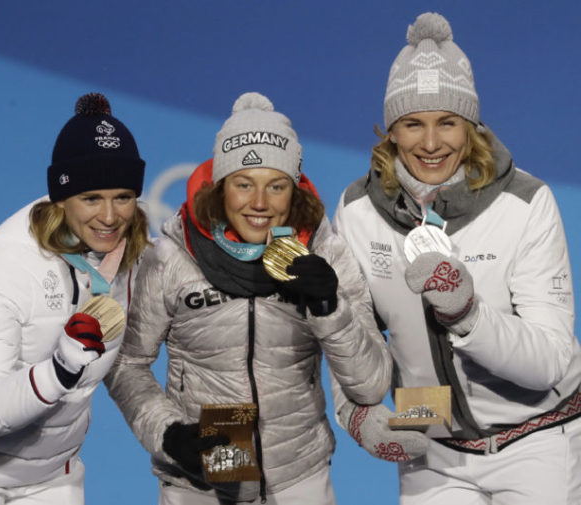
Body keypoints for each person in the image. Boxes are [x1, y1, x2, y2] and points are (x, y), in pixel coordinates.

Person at [332, 11, 581, 505]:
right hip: (431, 446)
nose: (429, 143)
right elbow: (350, 335)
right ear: (390, 130)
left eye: (447, 122)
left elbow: (551, 362)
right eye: (412, 124)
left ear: (471, 125)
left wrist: (468, 316)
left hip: (537, 440)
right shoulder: (357, 210)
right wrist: (355, 413)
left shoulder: (527, 203)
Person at [104, 91, 392, 504]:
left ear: (295, 190)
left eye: (276, 186)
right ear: (221, 186)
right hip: (201, 479)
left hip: (299, 476)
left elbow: (370, 386)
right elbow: (126, 363)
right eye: (244, 184)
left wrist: (331, 309)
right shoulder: (171, 255)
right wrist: (169, 434)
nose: (259, 204)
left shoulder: (324, 251)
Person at [0, 92, 149, 504]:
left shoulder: (130, 250)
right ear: (61, 197)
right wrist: (58, 370)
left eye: (123, 197)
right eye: (91, 198)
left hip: (54, 477)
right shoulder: (2, 266)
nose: (109, 216)